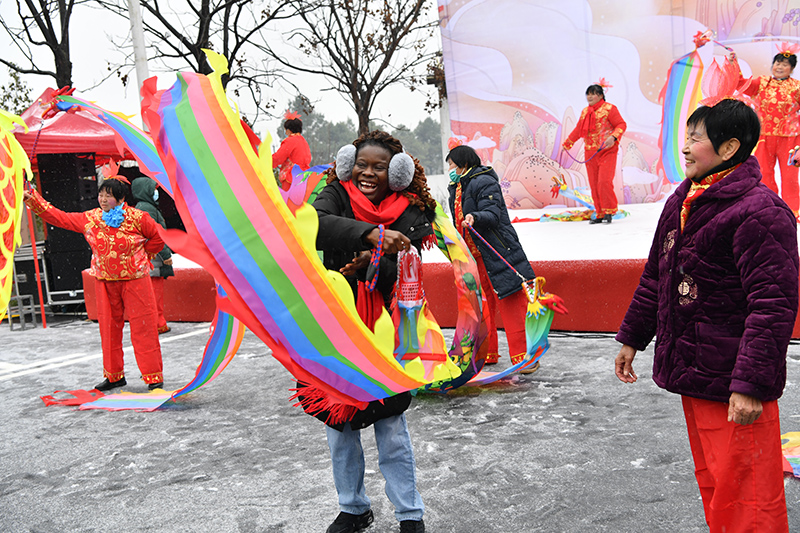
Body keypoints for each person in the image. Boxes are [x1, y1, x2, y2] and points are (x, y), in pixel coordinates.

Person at [614, 99, 798, 532]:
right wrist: (631, 338)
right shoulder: (685, 199)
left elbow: (772, 305)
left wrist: (751, 384)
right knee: (717, 487)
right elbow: (656, 275)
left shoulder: (761, 211)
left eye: (696, 138)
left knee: (749, 500)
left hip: (736, 383)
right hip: (696, 372)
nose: (686, 147)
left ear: (730, 146)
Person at [308, 130, 432, 533]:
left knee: (390, 424)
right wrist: (370, 235)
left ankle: (410, 514)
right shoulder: (336, 193)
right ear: (348, 164)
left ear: (396, 173)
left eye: (380, 167)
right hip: (337, 326)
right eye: (362, 164)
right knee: (339, 421)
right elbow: (314, 223)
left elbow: (409, 269)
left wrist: (375, 262)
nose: (368, 173)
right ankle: (353, 507)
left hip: (387, 329)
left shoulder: (413, 211)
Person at [24, 176, 166, 392]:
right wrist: (34, 199)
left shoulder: (139, 217)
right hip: (105, 281)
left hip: (136, 280)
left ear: (120, 198)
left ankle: (153, 376)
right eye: (101, 194)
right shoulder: (91, 218)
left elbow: (157, 237)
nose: (102, 199)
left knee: (143, 328)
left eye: (108, 195)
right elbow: (60, 218)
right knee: (109, 329)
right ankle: (114, 376)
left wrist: (143, 255)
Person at [446, 144, 537, 370]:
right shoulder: (458, 185)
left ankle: (525, 358)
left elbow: (493, 213)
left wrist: (475, 217)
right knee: (483, 306)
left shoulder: (483, 180)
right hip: (474, 255)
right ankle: (488, 353)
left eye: (452, 166)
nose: (450, 170)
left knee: (510, 302)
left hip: (496, 250)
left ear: (464, 164)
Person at [730, 46, 800, 219]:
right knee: (764, 174)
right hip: (764, 137)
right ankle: (769, 208)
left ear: (791, 68)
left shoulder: (797, 87)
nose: (779, 67)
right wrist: (733, 64)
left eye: (784, 64)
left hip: (790, 138)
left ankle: (793, 211)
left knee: (790, 176)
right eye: (777, 63)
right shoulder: (762, 83)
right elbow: (741, 83)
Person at [562, 83, 627, 224]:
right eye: (588, 94)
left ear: (601, 95)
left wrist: (613, 137)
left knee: (604, 181)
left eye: (593, 93)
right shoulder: (586, 112)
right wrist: (567, 143)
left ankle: (609, 211)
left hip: (607, 151)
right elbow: (579, 130)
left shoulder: (610, 109)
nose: (590, 96)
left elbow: (621, 124)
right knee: (594, 183)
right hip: (590, 152)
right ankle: (599, 213)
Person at [132, 176, 174, 334]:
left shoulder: (144, 207)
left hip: (151, 257)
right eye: (154, 189)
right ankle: (157, 323)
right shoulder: (146, 209)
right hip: (154, 258)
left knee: (152, 294)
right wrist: (165, 254)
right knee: (154, 294)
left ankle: (155, 322)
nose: (156, 193)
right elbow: (155, 234)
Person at [272, 111, 312, 190]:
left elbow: (279, 157)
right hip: (304, 176)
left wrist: (265, 161)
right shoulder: (303, 141)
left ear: (289, 130)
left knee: (289, 200)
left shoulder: (290, 141)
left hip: (291, 177)